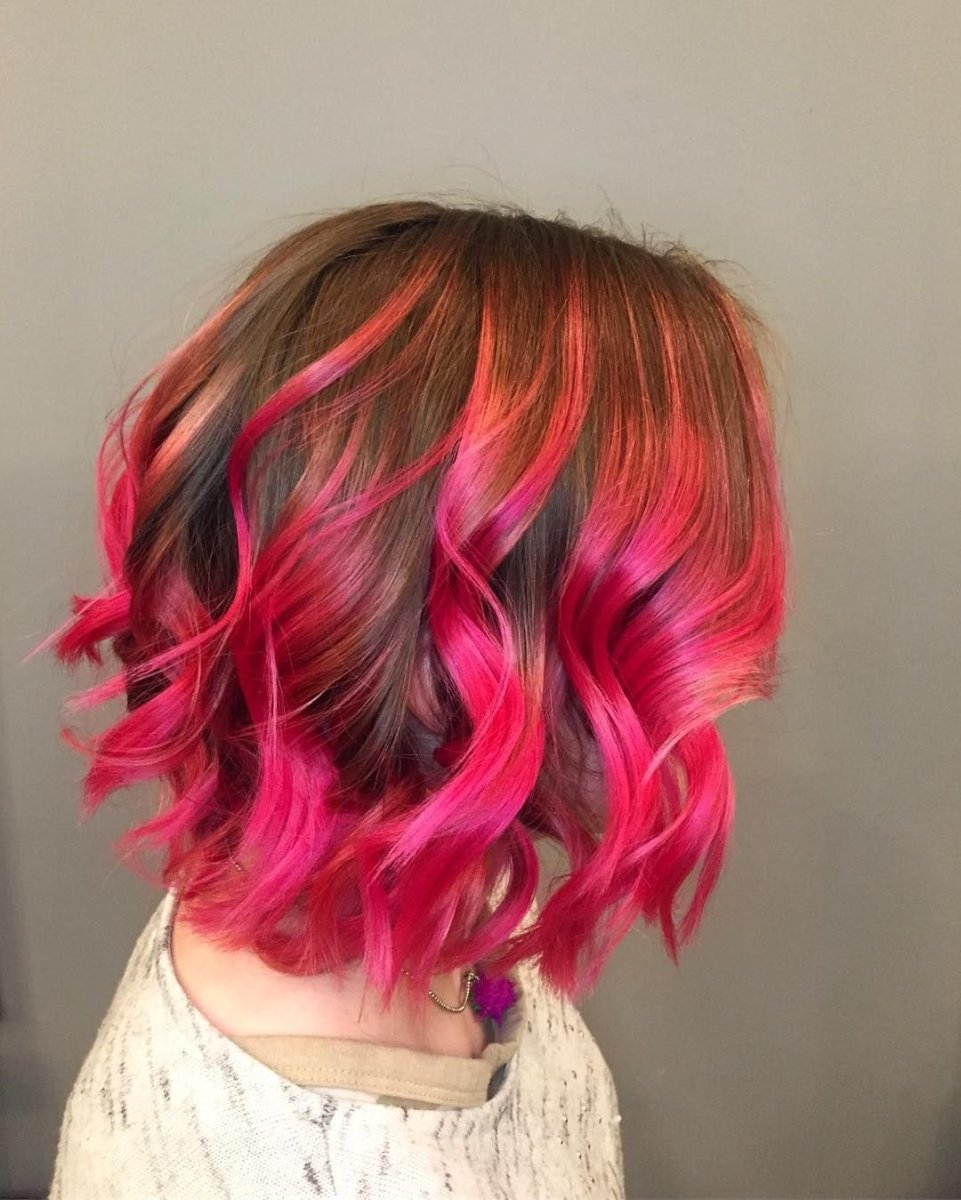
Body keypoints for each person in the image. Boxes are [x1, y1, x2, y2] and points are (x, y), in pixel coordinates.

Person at [44, 198, 789, 1198]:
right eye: (667, 629)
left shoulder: (412, 877)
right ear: (438, 638)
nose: (712, 698)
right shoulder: (288, 1168)